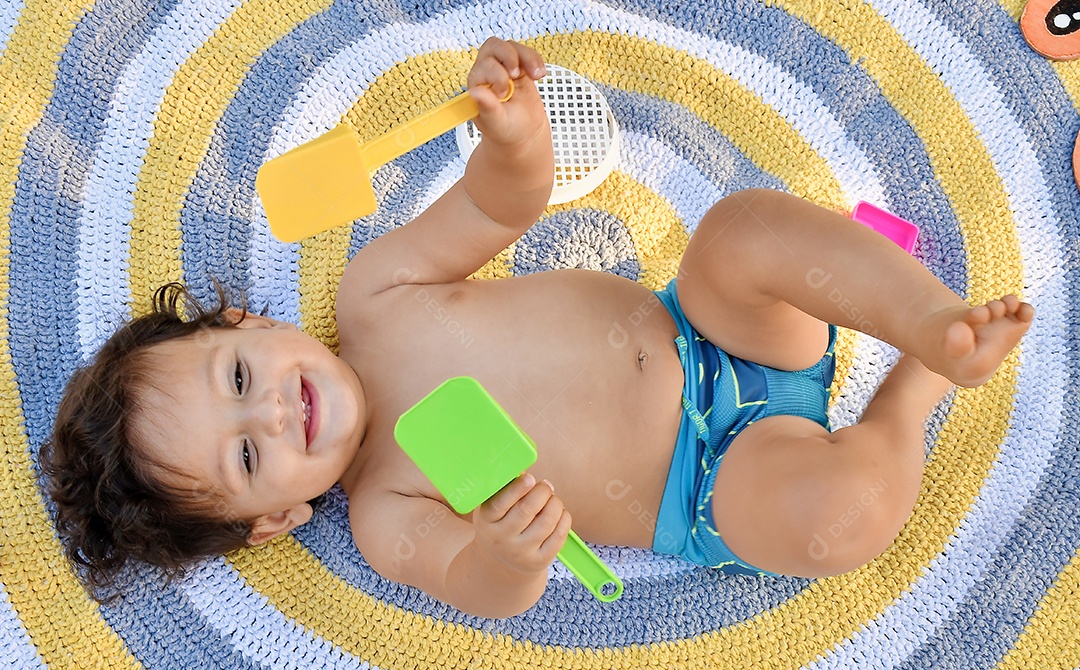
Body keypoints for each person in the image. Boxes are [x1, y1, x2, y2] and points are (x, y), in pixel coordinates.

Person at [41, 38, 1034, 618]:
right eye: (250, 456)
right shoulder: (389, 508)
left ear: (246, 322)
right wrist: (511, 557)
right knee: (839, 519)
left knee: (741, 228)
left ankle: (931, 318)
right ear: (276, 519)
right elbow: (476, 581)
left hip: (711, 325)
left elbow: (500, 207)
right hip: (722, 477)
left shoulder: (376, 290)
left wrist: (511, 137)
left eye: (238, 378)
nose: (275, 413)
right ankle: (911, 396)